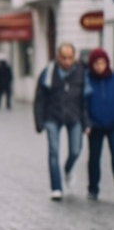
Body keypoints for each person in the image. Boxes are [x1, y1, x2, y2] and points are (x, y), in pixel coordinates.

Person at [33, 43, 88, 201]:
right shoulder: (49, 72)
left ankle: (68, 168)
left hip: (74, 115)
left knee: (76, 150)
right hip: (52, 116)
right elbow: (40, 98)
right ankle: (56, 187)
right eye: (63, 57)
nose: (67, 61)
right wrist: (39, 121)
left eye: (70, 57)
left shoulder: (81, 73)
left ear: (74, 57)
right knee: (54, 151)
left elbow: (85, 98)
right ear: (58, 57)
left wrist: (86, 122)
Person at [84, 48, 114, 201]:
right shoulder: (87, 79)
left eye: (102, 63)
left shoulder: (112, 78)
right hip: (94, 125)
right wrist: (87, 122)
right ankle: (93, 188)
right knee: (94, 158)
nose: (99, 66)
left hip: (112, 124)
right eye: (96, 63)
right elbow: (83, 103)